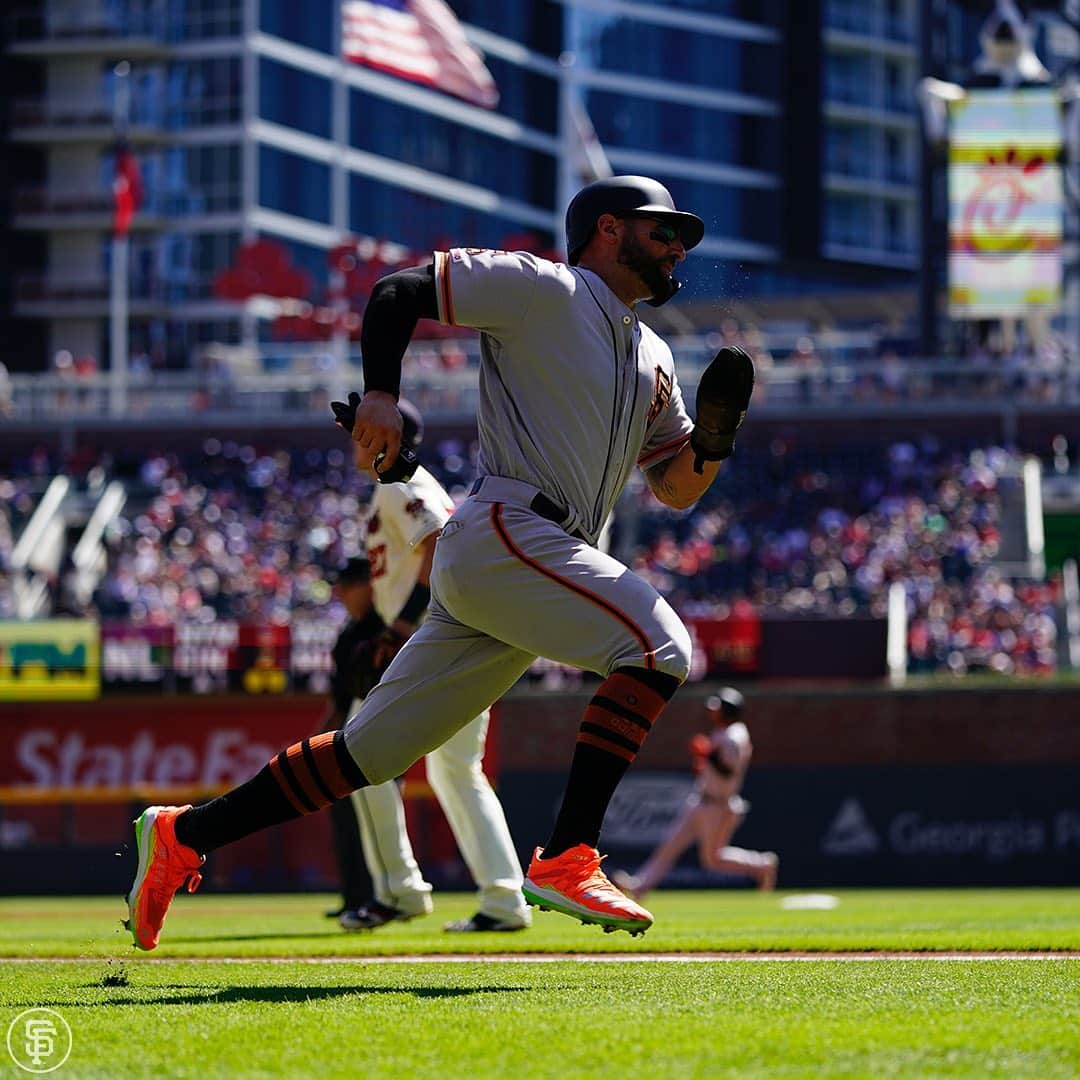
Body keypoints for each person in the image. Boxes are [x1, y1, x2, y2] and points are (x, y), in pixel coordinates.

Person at [124, 174, 756, 949]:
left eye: (682, 237)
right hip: (512, 528)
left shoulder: (653, 351)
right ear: (607, 230)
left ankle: (186, 834)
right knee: (661, 646)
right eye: (662, 231)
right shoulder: (544, 288)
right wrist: (381, 394)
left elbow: (676, 487)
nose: (677, 248)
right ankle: (568, 855)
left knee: (368, 753)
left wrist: (716, 439)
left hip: (525, 560)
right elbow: (397, 291)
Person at [338, 400, 531, 934]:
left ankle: (402, 891)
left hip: (435, 639)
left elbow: (438, 541)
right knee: (455, 771)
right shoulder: (393, 486)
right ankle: (503, 898)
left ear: (387, 439)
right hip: (452, 635)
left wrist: (397, 626)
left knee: (355, 755)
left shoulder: (402, 483)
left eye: (360, 430)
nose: (352, 438)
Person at [612, 688, 778, 898]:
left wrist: (708, 754)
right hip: (701, 800)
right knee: (670, 845)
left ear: (729, 710)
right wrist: (707, 760)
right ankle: (639, 886)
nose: (713, 712)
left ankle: (762, 864)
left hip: (718, 806)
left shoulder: (735, 735)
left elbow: (728, 771)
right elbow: (716, 767)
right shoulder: (723, 731)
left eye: (718, 708)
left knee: (712, 860)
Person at [316, 556, 383, 920]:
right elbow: (339, 696)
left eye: (347, 586)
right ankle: (353, 896)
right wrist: (320, 736)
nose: (340, 594)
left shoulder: (385, 626)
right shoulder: (348, 634)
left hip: (378, 733)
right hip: (347, 733)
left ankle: (379, 896)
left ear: (367, 585)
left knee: (375, 817)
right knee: (344, 816)